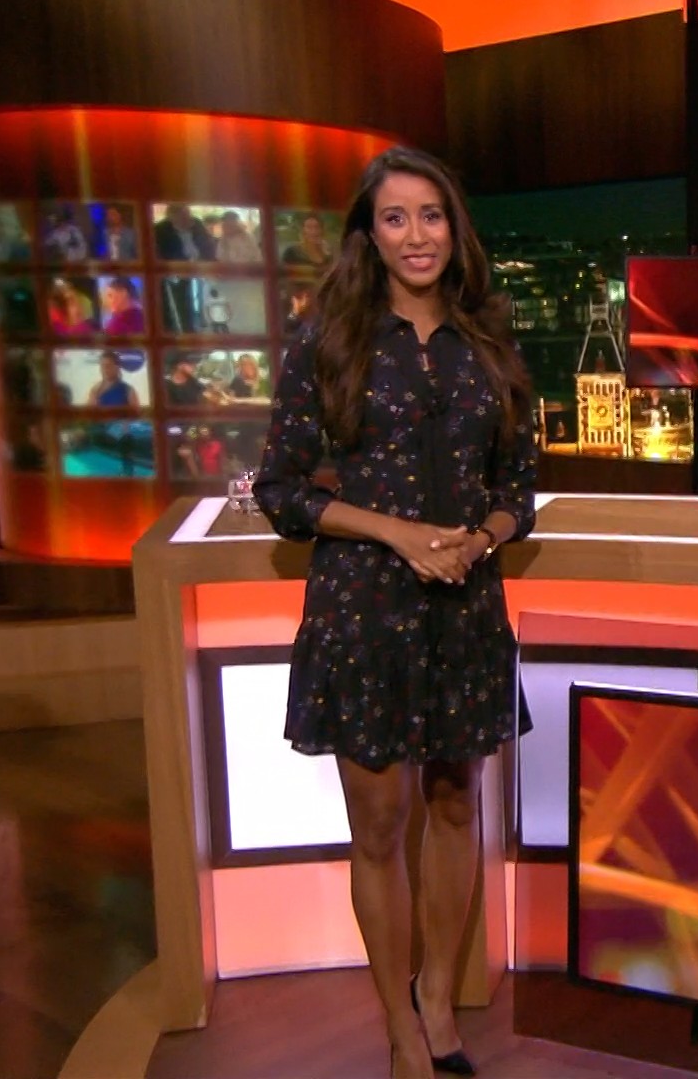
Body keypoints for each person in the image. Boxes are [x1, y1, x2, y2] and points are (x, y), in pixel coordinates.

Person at [253, 145, 536, 1079]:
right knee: (379, 825)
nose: (417, 235)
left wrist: (478, 539)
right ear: (368, 236)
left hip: (465, 606)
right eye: (395, 217)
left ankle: (438, 1001)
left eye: (432, 214)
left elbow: (518, 490)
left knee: (455, 804)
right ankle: (399, 1029)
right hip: (364, 608)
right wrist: (400, 534)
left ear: (455, 229)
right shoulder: (328, 339)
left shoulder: (489, 340)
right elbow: (282, 490)